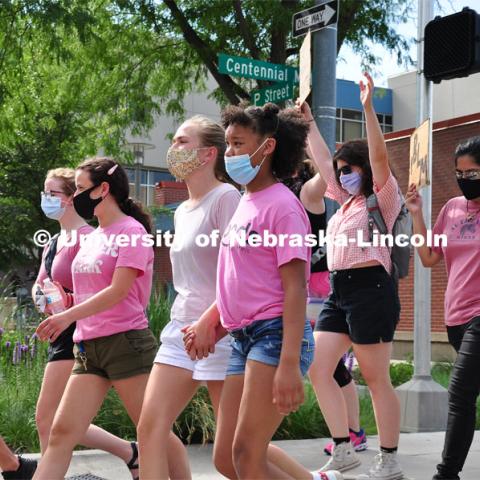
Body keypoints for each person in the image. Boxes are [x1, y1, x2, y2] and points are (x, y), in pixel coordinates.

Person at [184, 103, 341, 480]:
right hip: (244, 339)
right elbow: (243, 281)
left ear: (267, 147)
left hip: (274, 338)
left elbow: (295, 290)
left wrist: (288, 365)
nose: (230, 153)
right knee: (226, 458)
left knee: (246, 455)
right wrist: (215, 322)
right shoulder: (246, 202)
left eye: (238, 143)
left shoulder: (283, 207)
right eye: (228, 144)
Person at [32, 158, 187, 480]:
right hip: (88, 347)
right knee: (61, 432)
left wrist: (67, 316)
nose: (75, 197)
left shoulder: (132, 233)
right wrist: (65, 302)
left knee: (153, 432)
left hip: (125, 343)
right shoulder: (92, 237)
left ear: (103, 189)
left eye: (80, 189)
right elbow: (91, 291)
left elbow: (119, 291)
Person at [307, 73, 403, 479]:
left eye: (351, 169)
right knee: (318, 367)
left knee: (376, 378)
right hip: (338, 291)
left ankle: (389, 458)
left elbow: (379, 158)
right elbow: (322, 159)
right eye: (341, 169)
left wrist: (366, 108)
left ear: (363, 170)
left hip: (372, 289)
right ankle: (344, 448)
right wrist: (308, 120)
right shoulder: (343, 204)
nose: (343, 174)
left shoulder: (382, 196)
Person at [137, 116, 241, 479]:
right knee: (149, 429)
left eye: (182, 141)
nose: (173, 149)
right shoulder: (181, 210)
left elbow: (239, 273)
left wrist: (209, 322)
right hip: (181, 328)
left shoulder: (227, 198)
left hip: (221, 330)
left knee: (234, 454)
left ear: (208, 152)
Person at [31, 168, 141, 478]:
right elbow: (41, 281)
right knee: (58, 420)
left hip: (79, 332)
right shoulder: (52, 241)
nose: (46, 198)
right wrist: (42, 295)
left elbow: (104, 286)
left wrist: (70, 305)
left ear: (70, 198)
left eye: (53, 193)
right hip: (57, 329)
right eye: (45, 192)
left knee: (47, 417)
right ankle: (131, 452)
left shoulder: (91, 238)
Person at [282, 136, 368, 457]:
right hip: (296, 286)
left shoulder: (306, 192)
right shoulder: (274, 192)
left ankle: (353, 433)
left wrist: (309, 139)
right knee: (329, 366)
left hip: (315, 288)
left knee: (329, 366)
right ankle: (353, 432)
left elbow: (326, 174)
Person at [405, 136, 480, 480]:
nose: (466, 178)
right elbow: (428, 257)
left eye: (474, 172)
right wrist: (417, 215)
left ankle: (446, 474)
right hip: (456, 317)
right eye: (460, 172)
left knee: (460, 393)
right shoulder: (451, 208)